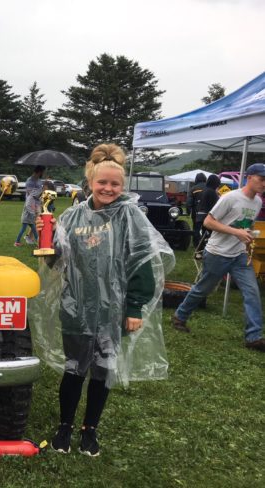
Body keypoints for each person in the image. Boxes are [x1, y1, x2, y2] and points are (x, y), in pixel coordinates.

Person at [30, 143, 174, 457]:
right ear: (90, 183)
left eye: (115, 183)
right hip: (77, 307)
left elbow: (141, 260)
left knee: (101, 370)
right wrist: (46, 238)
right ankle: (65, 426)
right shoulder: (73, 215)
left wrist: (135, 306)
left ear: (123, 186)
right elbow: (58, 261)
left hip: (113, 309)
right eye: (102, 182)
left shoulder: (130, 215)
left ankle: (89, 429)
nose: (108, 188)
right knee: (73, 369)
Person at [172, 163, 265, 352]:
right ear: (249, 177)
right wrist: (235, 232)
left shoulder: (258, 202)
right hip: (217, 253)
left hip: (239, 255)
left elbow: (246, 224)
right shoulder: (231, 198)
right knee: (202, 290)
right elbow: (208, 222)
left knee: (252, 293)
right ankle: (179, 316)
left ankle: (254, 337)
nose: (264, 184)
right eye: (262, 179)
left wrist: (247, 238)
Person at [14, 166, 44, 246]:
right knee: (24, 229)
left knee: (34, 228)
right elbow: (28, 206)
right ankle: (17, 242)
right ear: (39, 172)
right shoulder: (30, 198)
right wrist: (33, 213)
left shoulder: (34, 197)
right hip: (27, 217)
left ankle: (38, 242)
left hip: (30, 215)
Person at [188, 172, 207, 246]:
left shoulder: (193, 189)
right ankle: (204, 243)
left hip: (196, 213)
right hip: (208, 213)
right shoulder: (209, 188)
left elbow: (189, 201)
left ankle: (196, 244)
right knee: (206, 229)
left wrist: (188, 211)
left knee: (196, 228)